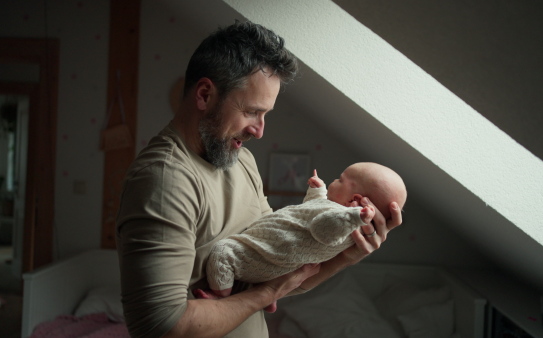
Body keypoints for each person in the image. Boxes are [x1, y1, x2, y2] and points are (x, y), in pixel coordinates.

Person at [115, 21, 403, 338]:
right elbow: (161, 326)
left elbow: (278, 264)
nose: (259, 130)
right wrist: (262, 297)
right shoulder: (165, 179)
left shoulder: (242, 161)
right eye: (252, 111)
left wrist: (349, 254)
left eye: (265, 114)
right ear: (205, 94)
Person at [198, 163, 407, 312]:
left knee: (223, 252)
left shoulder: (340, 222)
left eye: (340, 180)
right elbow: (310, 211)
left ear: (354, 199)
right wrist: (318, 189)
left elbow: (324, 227)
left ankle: (220, 296)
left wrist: (354, 217)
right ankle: (264, 297)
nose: (334, 179)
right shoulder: (331, 211)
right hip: (272, 268)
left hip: (262, 257)